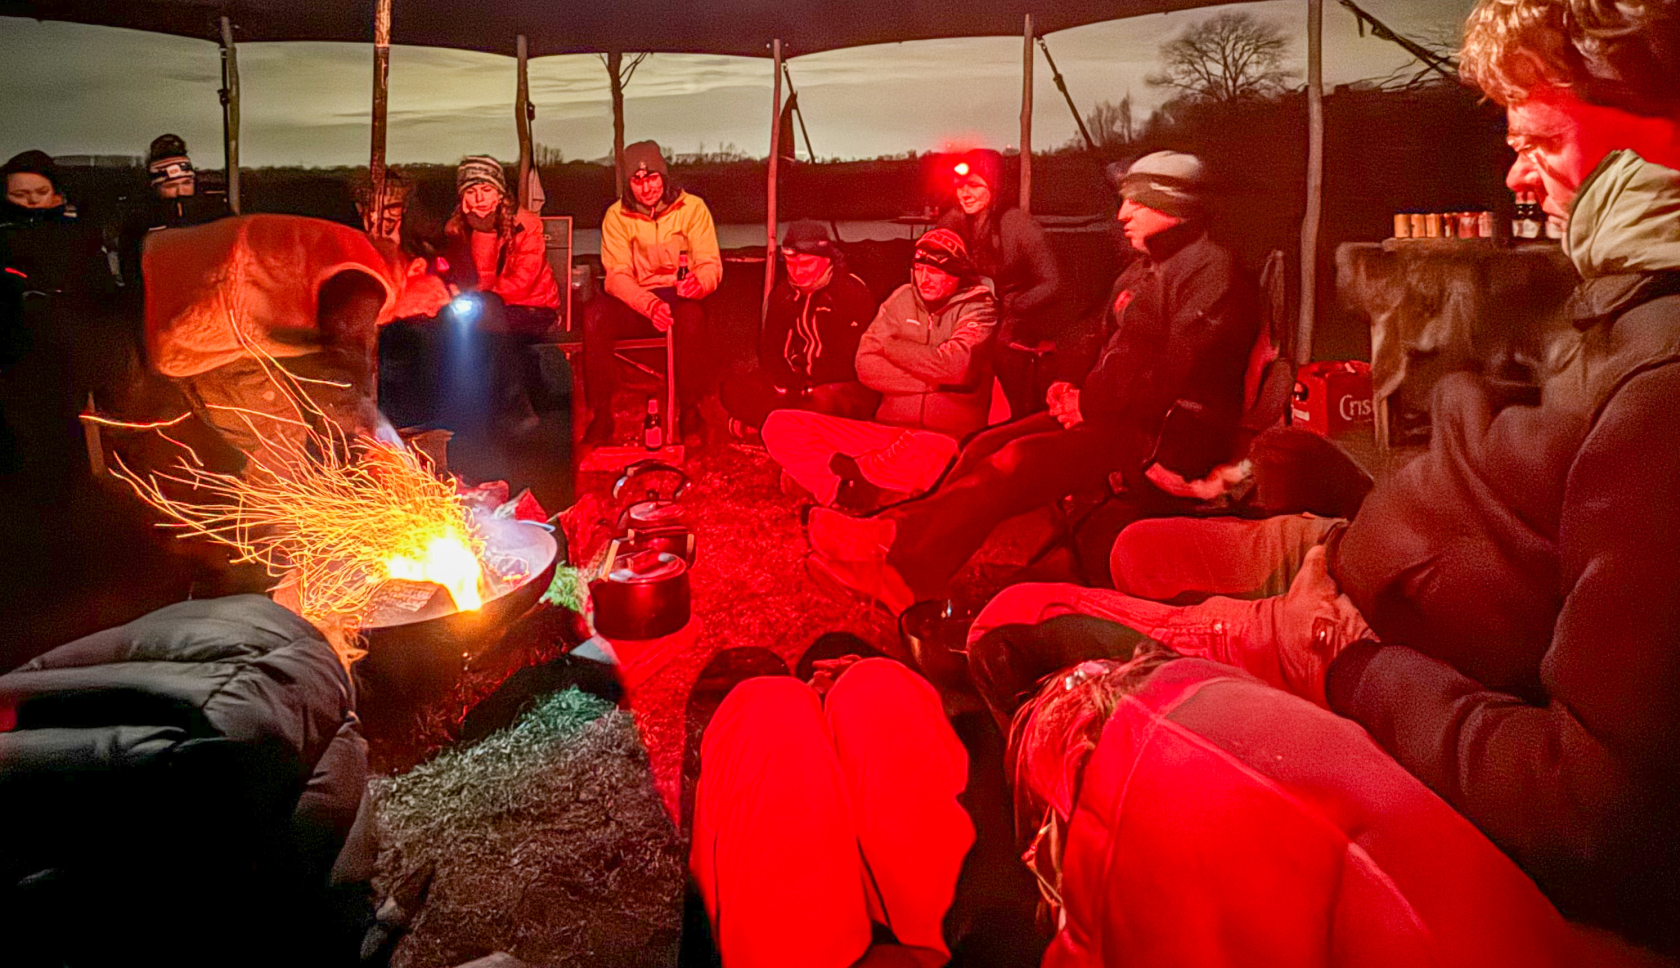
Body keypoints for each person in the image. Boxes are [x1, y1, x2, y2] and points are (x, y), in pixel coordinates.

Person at [966, 0, 1680, 951]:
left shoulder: (1661, 391)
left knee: (1022, 628)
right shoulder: (1620, 298)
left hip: (1352, 637)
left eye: (1537, 137)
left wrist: (1358, 668)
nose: (1514, 172)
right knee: (1113, 533)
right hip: (1352, 561)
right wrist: (1357, 506)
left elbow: (1597, 810)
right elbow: (1529, 507)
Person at [806, 151, 1261, 613]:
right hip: (1115, 415)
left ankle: (895, 550)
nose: (1123, 215)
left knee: (1019, 460)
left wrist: (1090, 403)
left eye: (1138, 204)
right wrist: (1066, 383)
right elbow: (1092, 336)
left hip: (1170, 431)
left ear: (1177, 206)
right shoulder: (1144, 269)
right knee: (985, 448)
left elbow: (1176, 370)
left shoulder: (1210, 271)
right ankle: (909, 562)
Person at [690, 656, 975, 968]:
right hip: (972, 941)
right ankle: (841, 706)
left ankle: (814, 723)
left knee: (767, 710)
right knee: (874, 686)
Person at [143, 214, 451, 476]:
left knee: (292, 427)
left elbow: (323, 368)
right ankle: (271, 544)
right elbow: (342, 361)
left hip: (215, 318)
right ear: (417, 268)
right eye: (438, 296)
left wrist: (359, 431)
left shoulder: (363, 268)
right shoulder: (366, 280)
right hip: (203, 315)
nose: (433, 310)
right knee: (278, 438)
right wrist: (365, 438)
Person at [761, 228, 997, 511]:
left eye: (935, 271)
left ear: (958, 273)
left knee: (928, 454)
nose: (924, 279)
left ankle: (848, 479)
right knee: (780, 425)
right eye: (919, 268)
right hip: (884, 434)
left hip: (940, 442)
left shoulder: (980, 308)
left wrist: (893, 348)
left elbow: (954, 366)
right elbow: (865, 366)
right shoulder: (901, 299)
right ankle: (848, 490)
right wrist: (931, 382)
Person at [582, 140, 722, 446]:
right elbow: (616, 275)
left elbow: (710, 263)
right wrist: (648, 304)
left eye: (652, 178)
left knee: (692, 318)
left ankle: (689, 410)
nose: (646, 188)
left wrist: (701, 282)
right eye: (638, 180)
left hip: (680, 292)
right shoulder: (616, 216)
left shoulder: (692, 208)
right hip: (637, 298)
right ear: (629, 184)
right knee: (595, 315)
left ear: (664, 176)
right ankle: (602, 414)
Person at [439, 155, 563, 434]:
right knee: (463, 320)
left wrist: (484, 233)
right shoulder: (456, 228)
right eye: (471, 191)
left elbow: (522, 283)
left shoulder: (526, 225)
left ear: (500, 193)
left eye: (487, 189)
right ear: (462, 198)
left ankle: (507, 407)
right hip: (485, 310)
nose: (480, 198)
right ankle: (491, 408)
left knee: (485, 311)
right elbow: (459, 278)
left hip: (533, 307)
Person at [719, 220, 879, 435]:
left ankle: (767, 429)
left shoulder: (851, 293)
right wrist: (785, 382)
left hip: (840, 386)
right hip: (797, 386)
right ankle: (788, 427)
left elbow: (855, 359)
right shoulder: (784, 295)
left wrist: (809, 388)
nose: (797, 272)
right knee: (733, 390)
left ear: (826, 259)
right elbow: (770, 349)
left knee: (818, 405)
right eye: (791, 264)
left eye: (806, 264)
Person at [938, 148, 1065, 417]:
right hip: (971, 312)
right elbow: (933, 266)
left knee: (1002, 350)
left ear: (994, 186)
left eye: (974, 185)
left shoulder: (1017, 224)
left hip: (1019, 317)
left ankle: (1019, 417)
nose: (965, 193)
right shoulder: (952, 222)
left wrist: (1013, 305)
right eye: (960, 186)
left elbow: (1053, 282)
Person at [118, 134, 230, 289]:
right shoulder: (141, 218)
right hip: (163, 297)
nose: (180, 191)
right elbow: (130, 266)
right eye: (170, 186)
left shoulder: (214, 211)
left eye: (186, 183)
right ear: (155, 188)